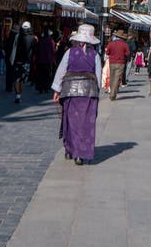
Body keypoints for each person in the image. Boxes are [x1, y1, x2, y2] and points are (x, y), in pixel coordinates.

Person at [52, 23, 102, 166]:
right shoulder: (95, 55)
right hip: (89, 92)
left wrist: (57, 90)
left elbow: (61, 71)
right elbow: (97, 76)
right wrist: (96, 92)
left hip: (70, 91)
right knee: (86, 123)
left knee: (71, 121)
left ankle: (71, 149)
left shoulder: (69, 52)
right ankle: (82, 152)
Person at [104, 29, 130, 101]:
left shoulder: (111, 43)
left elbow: (107, 52)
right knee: (117, 79)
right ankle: (112, 94)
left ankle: (112, 92)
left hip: (112, 63)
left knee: (112, 78)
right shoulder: (124, 44)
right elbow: (127, 53)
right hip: (121, 63)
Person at [11, 21, 34, 104]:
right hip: (26, 62)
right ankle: (20, 95)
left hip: (17, 61)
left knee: (16, 79)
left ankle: (17, 95)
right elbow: (34, 50)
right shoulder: (32, 38)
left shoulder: (17, 36)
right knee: (23, 80)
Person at [34, 28, 56, 93]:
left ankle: (40, 88)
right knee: (47, 75)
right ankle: (46, 88)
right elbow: (53, 51)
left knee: (40, 74)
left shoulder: (40, 40)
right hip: (48, 61)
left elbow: (37, 50)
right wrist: (53, 60)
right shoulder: (50, 41)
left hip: (40, 60)